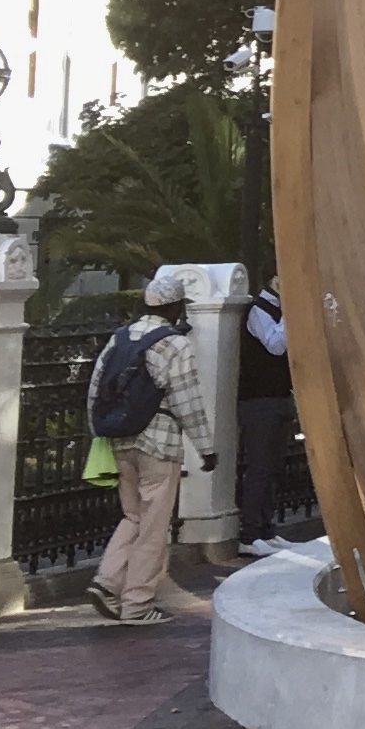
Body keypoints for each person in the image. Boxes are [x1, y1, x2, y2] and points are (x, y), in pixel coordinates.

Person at [87, 267, 218, 627]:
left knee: (133, 516)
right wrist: (205, 448)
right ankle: (137, 604)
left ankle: (107, 581)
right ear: (176, 307)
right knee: (154, 526)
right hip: (159, 442)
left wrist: (101, 432)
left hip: (120, 439)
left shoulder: (120, 338)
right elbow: (187, 401)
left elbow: (96, 389)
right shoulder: (175, 343)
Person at [234, 281, 301, 556]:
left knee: (273, 467)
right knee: (260, 467)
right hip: (259, 400)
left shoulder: (277, 311)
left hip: (279, 396)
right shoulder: (258, 310)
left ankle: (266, 530)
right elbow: (275, 345)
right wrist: (290, 315)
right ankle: (249, 534)